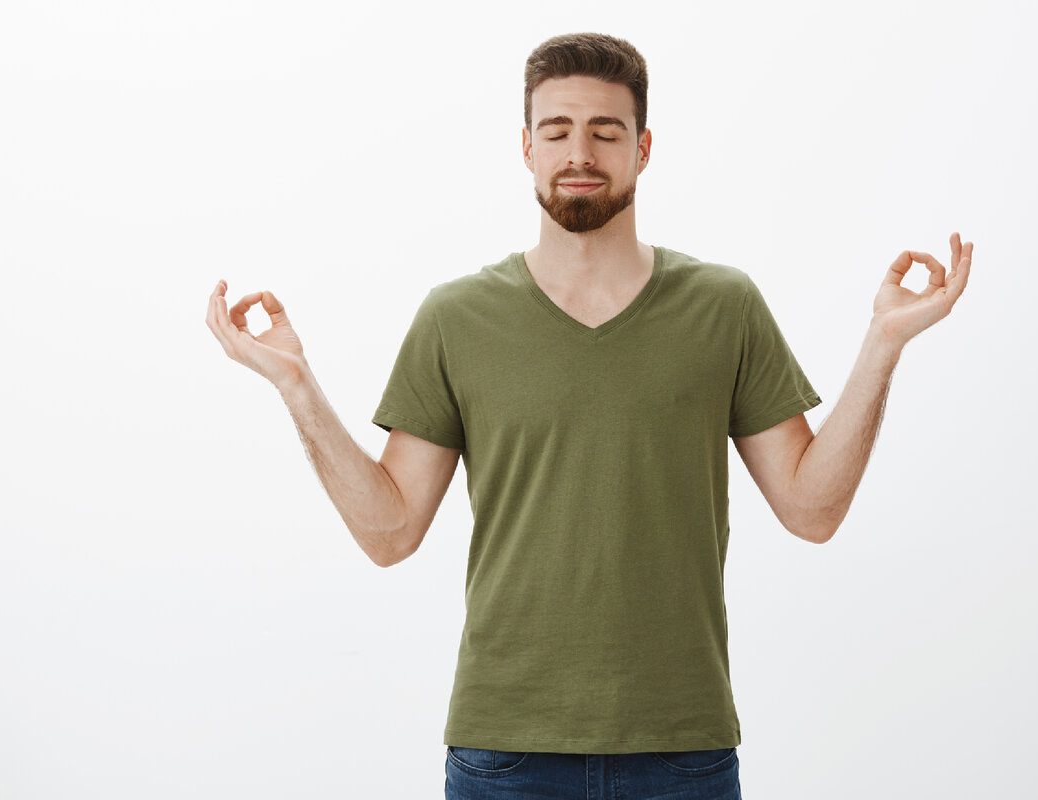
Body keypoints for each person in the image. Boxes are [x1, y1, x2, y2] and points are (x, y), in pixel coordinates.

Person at [206, 31, 972, 800]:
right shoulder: (456, 319)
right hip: (505, 753)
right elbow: (391, 532)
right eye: (557, 131)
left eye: (605, 132)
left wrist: (882, 344)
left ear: (642, 149)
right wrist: (297, 386)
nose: (580, 153)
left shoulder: (724, 307)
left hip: (683, 750)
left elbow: (812, 509)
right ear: (527, 149)